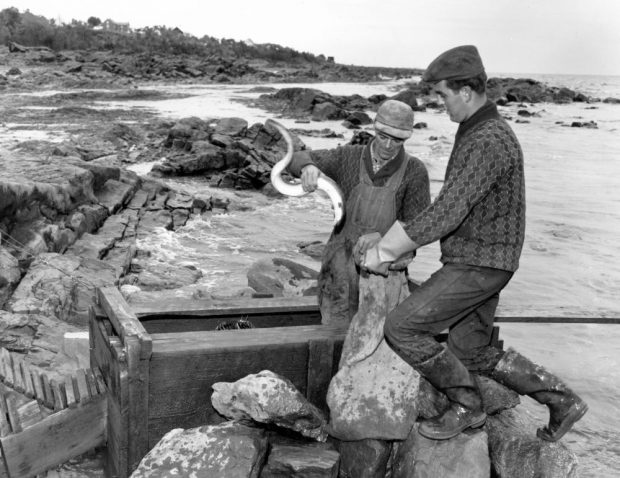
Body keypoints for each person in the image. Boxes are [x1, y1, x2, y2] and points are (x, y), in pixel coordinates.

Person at [362, 45, 588, 441]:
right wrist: (402, 245)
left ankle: (468, 406)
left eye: (444, 95)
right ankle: (563, 401)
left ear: (466, 92)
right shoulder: (478, 131)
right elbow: (454, 205)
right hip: (488, 260)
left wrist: (385, 250)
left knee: (401, 328)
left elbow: (451, 206)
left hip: (479, 264)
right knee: (471, 351)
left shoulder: (488, 138)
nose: (440, 104)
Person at [287, 99, 431, 325]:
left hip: (383, 281)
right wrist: (307, 168)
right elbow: (295, 159)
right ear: (374, 126)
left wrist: (384, 239)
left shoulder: (415, 171)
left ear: (407, 137)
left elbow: (418, 230)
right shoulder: (347, 157)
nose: (387, 146)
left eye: (397, 140)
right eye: (383, 136)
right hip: (338, 276)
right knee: (334, 341)